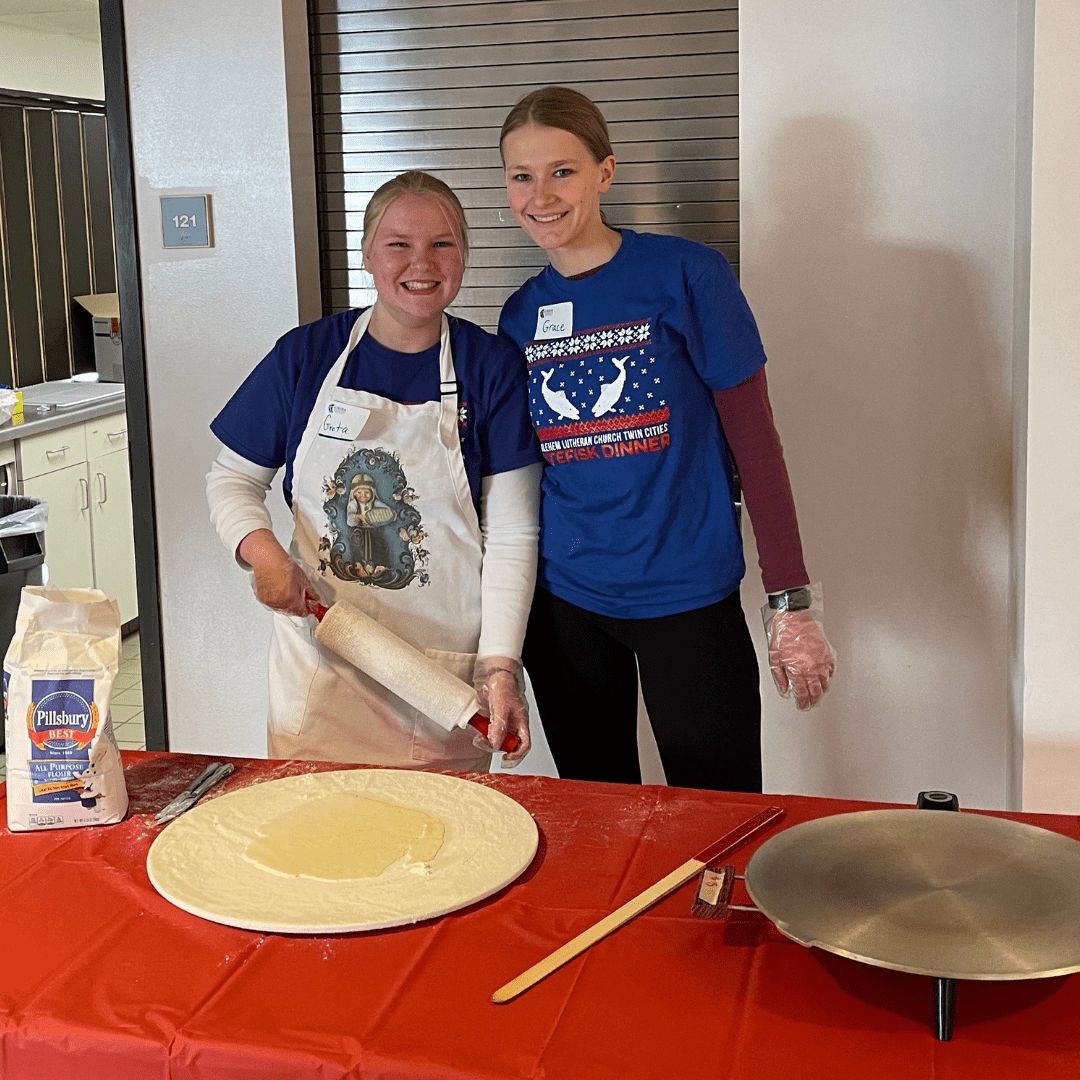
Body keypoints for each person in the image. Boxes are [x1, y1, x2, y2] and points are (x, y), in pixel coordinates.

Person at [496, 87, 835, 792]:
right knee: (600, 815)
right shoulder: (521, 315)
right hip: (565, 607)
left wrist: (790, 599)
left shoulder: (687, 274)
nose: (541, 195)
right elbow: (515, 479)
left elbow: (757, 444)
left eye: (562, 171)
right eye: (522, 175)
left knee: (720, 817)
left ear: (605, 173)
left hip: (688, 595)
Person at [207, 171, 542, 769]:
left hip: (442, 682)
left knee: (439, 851)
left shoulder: (490, 367)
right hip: (322, 666)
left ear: (463, 255)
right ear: (366, 254)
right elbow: (231, 478)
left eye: (443, 243)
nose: (423, 262)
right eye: (399, 244)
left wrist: (500, 664)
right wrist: (262, 554)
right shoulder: (306, 356)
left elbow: (514, 533)